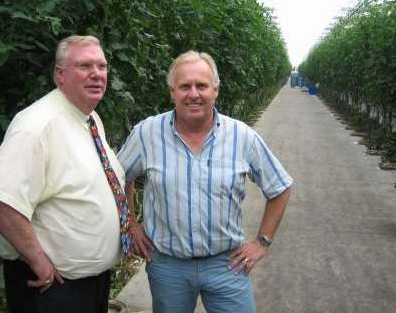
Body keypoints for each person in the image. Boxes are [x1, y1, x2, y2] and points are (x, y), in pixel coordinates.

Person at [118, 50, 293, 313]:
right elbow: (119, 180)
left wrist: (262, 242)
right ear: (172, 92)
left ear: (216, 91)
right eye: (184, 86)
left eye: (201, 85)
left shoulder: (241, 137)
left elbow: (280, 188)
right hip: (168, 267)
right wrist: (130, 224)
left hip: (227, 265)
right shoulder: (147, 134)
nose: (193, 93)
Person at [0, 35, 124, 313]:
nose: (96, 74)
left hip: (89, 284)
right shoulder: (37, 125)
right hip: (51, 287)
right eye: (85, 66)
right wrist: (37, 260)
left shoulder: (88, 118)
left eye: (102, 67)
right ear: (60, 74)